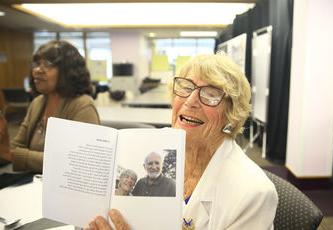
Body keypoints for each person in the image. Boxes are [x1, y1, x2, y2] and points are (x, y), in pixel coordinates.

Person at [87, 54, 278, 230]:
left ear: (232, 115)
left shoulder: (253, 194)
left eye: (211, 94)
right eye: (186, 88)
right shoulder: (151, 146)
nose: (190, 101)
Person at [0, 40, 100, 173]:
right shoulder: (37, 103)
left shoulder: (82, 105)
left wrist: (14, 155)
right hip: (30, 184)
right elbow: (14, 148)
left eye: (48, 64)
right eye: (36, 64)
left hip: (63, 189)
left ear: (68, 71)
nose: (37, 70)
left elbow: (80, 162)